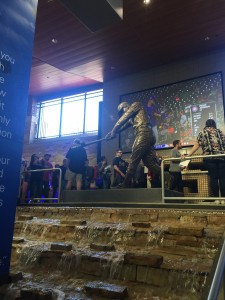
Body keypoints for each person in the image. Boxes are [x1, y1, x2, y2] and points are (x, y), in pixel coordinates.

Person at [105, 101, 164, 188]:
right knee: (149, 163)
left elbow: (123, 118)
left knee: (133, 159)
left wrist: (114, 130)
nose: (123, 113)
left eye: (122, 110)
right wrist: (111, 133)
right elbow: (122, 127)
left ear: (126, 106)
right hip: (147, 134)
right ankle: (167, 176)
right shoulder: (133, 118)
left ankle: (125, 184)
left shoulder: (136, 105)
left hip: (143, 132)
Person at [188, 119, 225, 197]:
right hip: (221, 158)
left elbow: (197, 145)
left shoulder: (202, 133)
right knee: (222, 178)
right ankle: (224, 198)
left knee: (213, 178)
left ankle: (217, 199)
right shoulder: (219, 132)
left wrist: (189, 155)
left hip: (209, 158)